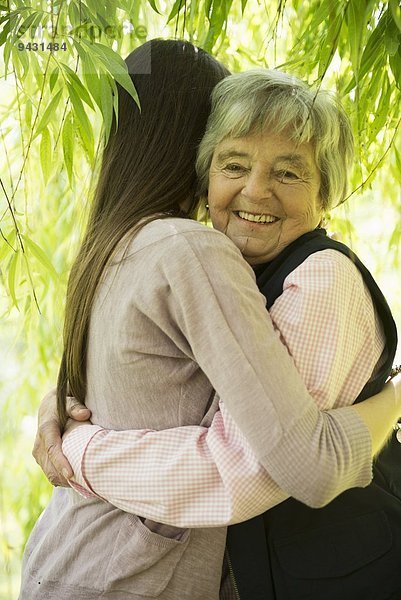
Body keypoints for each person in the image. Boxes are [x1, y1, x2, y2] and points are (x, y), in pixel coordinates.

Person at [22, 42, 401, 600]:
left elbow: (261, 467)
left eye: (289, 173)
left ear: (326, 192)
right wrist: (62, 417)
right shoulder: (190, 254)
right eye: (234, 164)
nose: (255, 190)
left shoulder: (314, 279)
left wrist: (78, 449)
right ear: (200, 167)